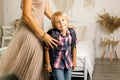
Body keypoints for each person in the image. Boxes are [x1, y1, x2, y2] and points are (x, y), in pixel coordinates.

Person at [0, 0, 58, 80]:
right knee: (34, 64)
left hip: (38, 30)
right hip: (28, 31)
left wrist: (64, 24)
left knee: (36, 64)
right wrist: (44, 35)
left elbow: (47, 11)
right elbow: (26, 16)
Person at [44, 11, 77, 80]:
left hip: (68, 62)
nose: (61, 23)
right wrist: (48, 64)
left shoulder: (72, 33)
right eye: (58, 22)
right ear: (54, 24)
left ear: (67, 21)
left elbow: (74, 48)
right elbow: (47, 49)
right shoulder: (52, 34)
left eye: (63, 20)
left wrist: (74, 61)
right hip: (57, 63)